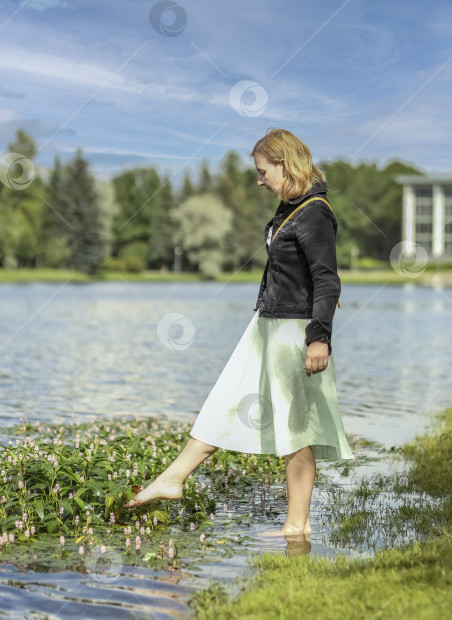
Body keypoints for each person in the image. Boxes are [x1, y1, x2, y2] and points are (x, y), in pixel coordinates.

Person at [124, 128, 354, 536]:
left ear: (284, 165)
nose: (260, 180)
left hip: (293, 332)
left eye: (264, 171)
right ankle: (173, 479)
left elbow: (326, 278)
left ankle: (296, 528)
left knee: (296, 428)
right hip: (267, 325)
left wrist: (319, 336)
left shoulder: (314, 211)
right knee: (226, 402)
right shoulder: (290, 208)